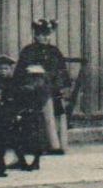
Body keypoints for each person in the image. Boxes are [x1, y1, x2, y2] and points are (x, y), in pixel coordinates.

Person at [17, 19, 72, 153]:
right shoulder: (28, 51)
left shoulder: (54, 51)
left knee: (54, 100)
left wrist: (58, 83)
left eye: (48, 34)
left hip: (52, 87)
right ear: (35, 35)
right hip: (32, 88)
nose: (45, 37)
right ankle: (38, 144)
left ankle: (55, 144)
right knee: (42, 99)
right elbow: (20, 72)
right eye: (41, 34)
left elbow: (62, 71)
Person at [11, 64, 52, 171]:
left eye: (37, 75)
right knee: (18, 138)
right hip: (23, 115)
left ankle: (35, 161)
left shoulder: (43, 89)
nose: (34, 78)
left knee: (36, 140)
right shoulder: (24, 87)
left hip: (34, 116)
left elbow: (40, 102)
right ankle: (22, 161)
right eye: (32, 75)